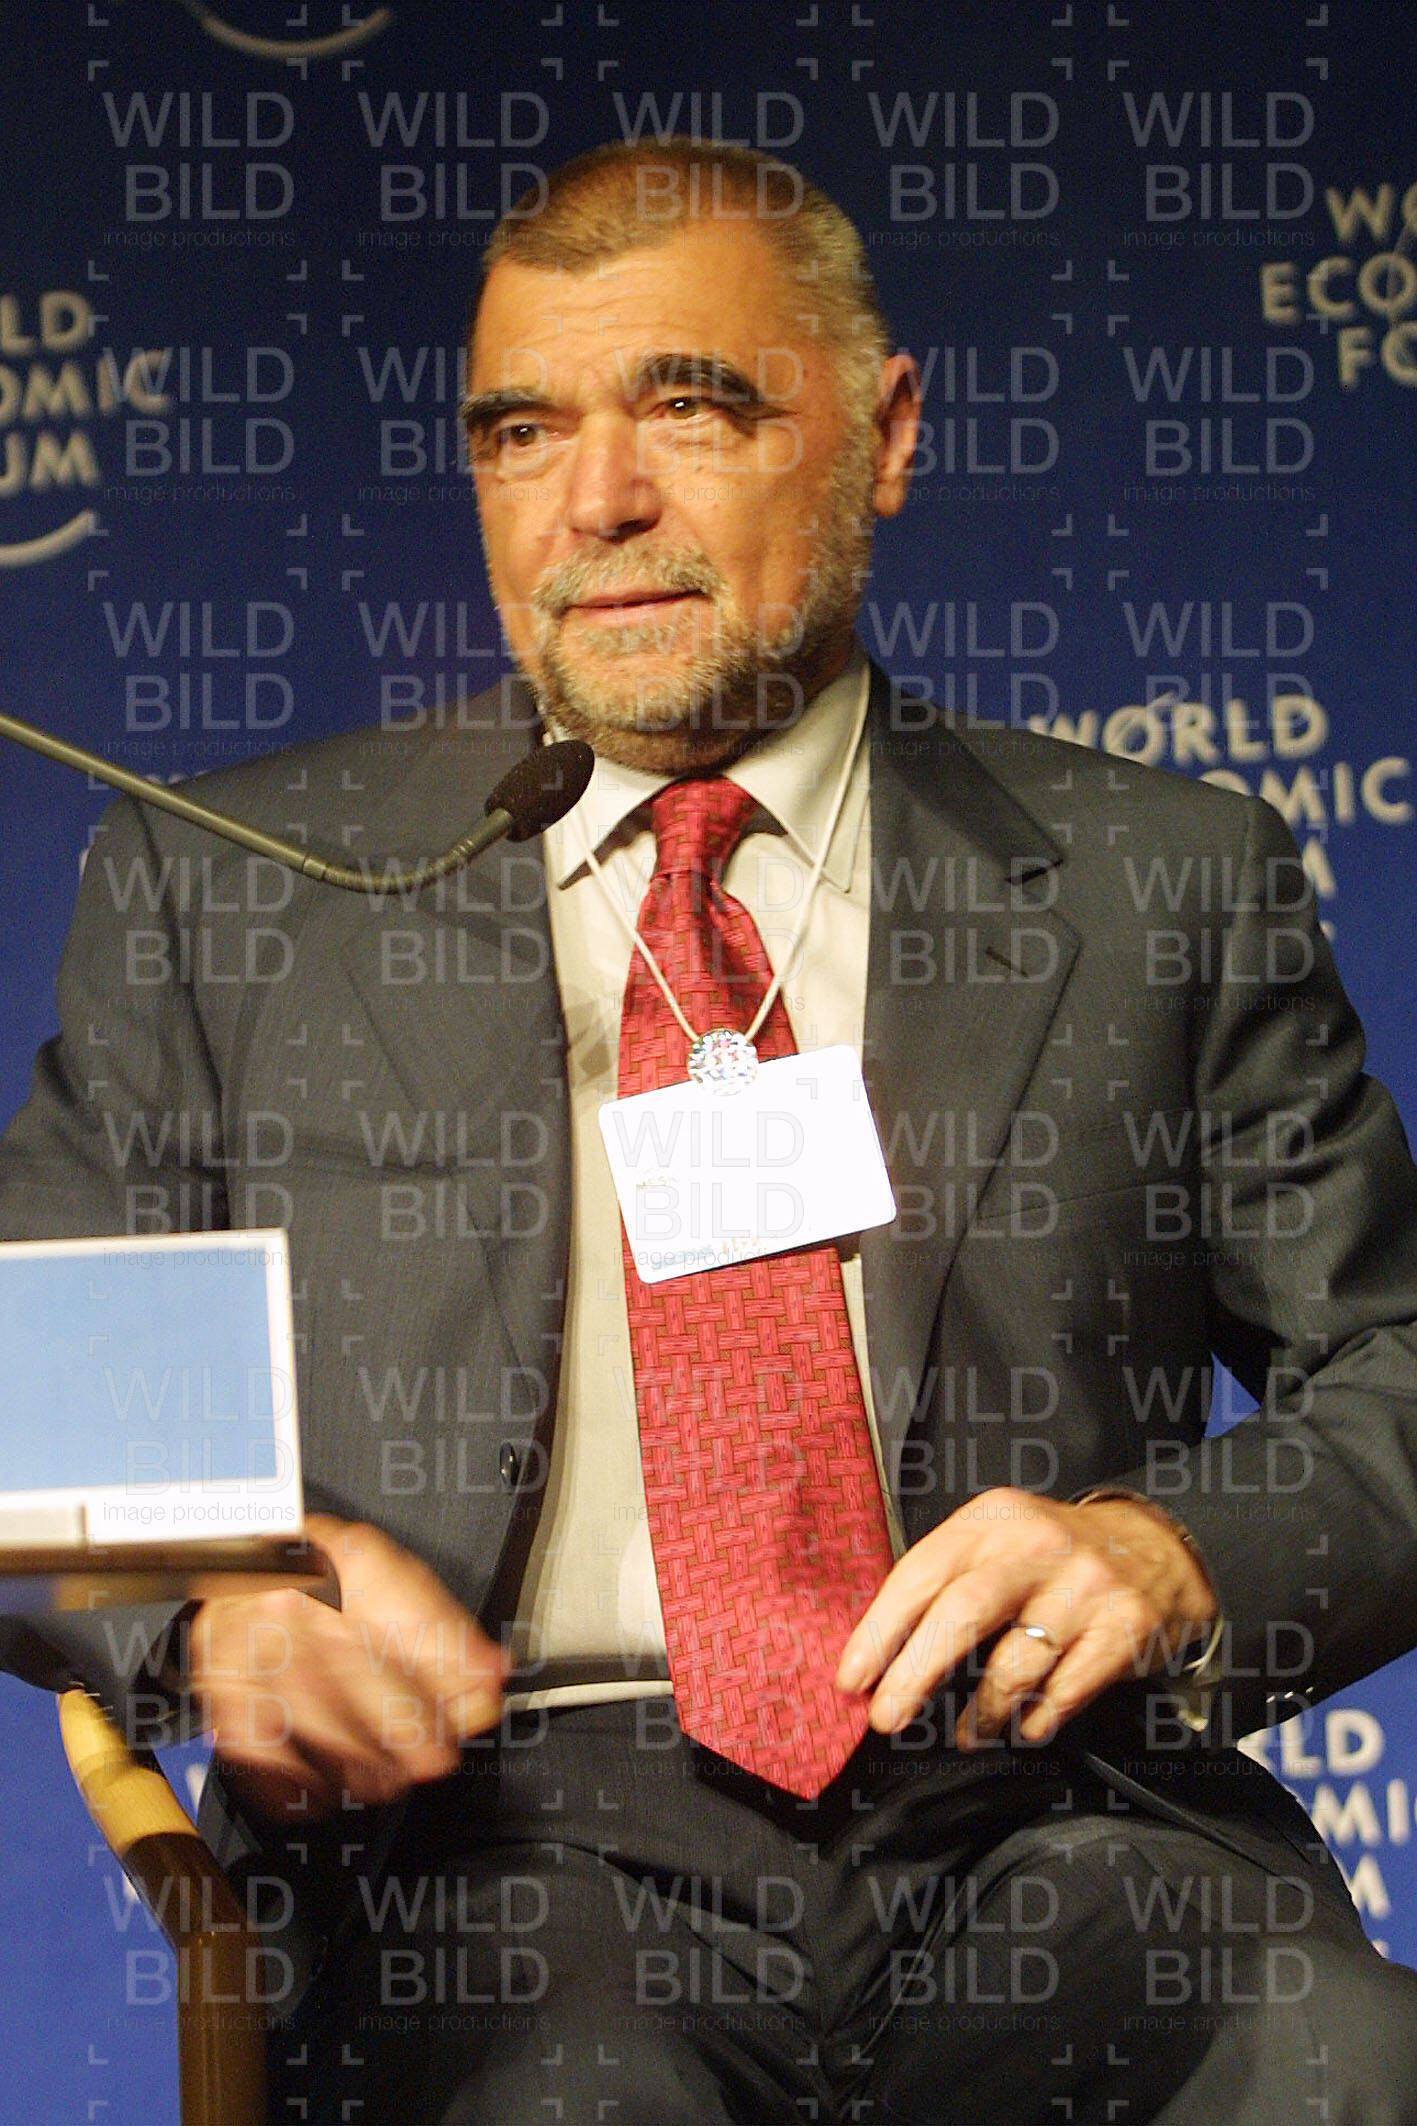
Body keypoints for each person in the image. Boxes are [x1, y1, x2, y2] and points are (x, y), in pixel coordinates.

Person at [5, 137, 1417, 2122]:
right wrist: (220, 1603)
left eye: (690, 406)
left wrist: (1170, 1548)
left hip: (1050, 1819)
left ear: (882, 433)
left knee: (1345, 2061)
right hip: (482, 1853)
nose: (598, 499)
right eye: (522, 431)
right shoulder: (240, 885)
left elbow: (1393, 1363)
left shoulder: (1157, 880)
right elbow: (39, 1409)